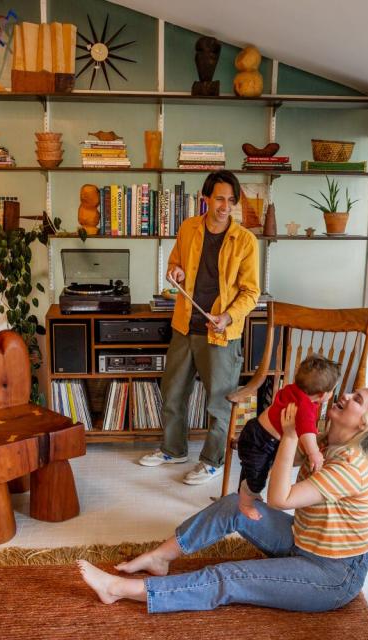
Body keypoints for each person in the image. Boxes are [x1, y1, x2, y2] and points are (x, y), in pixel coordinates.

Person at [79, 386, 368, 613]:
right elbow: (276, 463)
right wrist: (292, 421)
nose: (346, 395)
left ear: (365, 424)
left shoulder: (351, 466)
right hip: (303, 541)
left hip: (333, 576)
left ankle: (120, 589)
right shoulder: (327, 444)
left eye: (357, 399)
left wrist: (291, 435)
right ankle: (160, 558)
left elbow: (280, 498)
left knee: (231, 577)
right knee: (235, 505)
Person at [138, 170, 260, 485]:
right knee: (173, 391)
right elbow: (174, 264)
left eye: (231, 200)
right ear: (205, 198)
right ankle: (173, 449)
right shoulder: (188, 228)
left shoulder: (245, 240)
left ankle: (212, 461)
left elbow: (251, 292)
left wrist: (228, 317)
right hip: (184, 325)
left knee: (219, 401)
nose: (225, 206)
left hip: (220, 332)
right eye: (219, 198)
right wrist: (174, 272)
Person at [237, 355, 340, 521]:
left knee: (258, 471)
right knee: (256, 478)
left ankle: (250, 493)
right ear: (322, 394)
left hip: (257, 431)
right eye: (332, 390)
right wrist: (314, 453)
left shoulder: (294, 389)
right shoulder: (306, 407)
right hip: (260, 442)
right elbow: (307, 433)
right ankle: (245, 504)